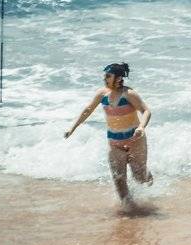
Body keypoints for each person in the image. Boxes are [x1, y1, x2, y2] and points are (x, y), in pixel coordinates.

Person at [65, 61, 153, 202]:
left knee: (139, 177)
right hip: (114, 143)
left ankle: (150, 187)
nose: (104, 78)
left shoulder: (129, 94)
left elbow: (146, 111)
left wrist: (141, 127)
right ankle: (128, 207)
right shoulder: (102, 94)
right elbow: (87, 110)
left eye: (108, 76)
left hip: (135, 141)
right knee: (119, 180)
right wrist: (72, 128)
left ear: (118, 78)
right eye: (105, 76)